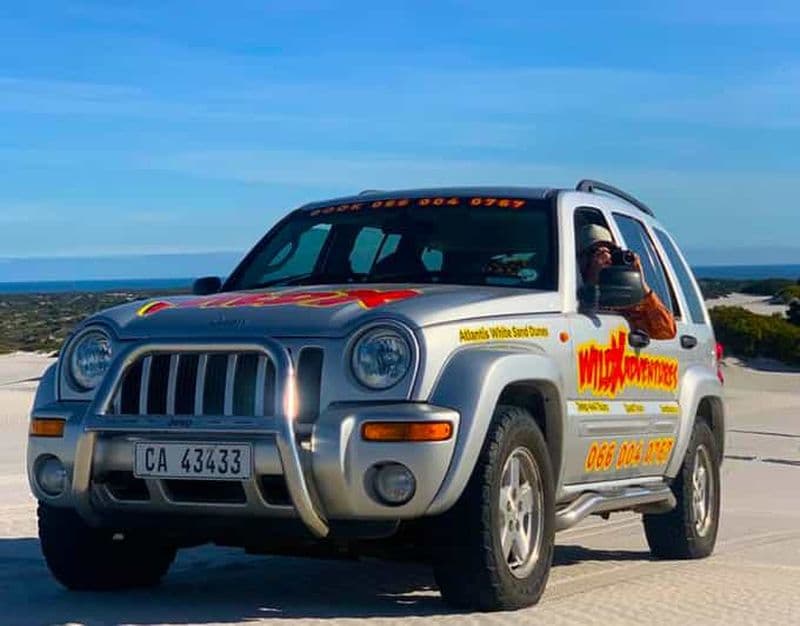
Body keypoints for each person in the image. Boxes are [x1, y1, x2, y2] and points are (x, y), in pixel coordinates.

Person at [578, 224, 677, 340]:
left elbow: (666, 331)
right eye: (595, 252)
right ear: (580, 259)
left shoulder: (623, 296)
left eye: (610, 251)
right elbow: (584, 320)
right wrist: (593, 276)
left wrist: (640, 283)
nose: (606, 257)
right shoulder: (568, 289)